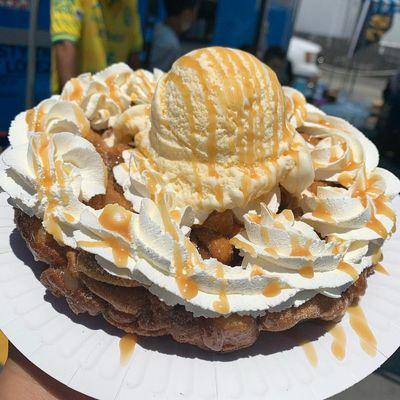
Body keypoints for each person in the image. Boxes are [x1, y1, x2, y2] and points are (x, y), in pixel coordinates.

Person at [51, 0, 143, 93]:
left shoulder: (130, 3)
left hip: (117, 97)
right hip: (81, 94)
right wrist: (72, 99)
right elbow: (64, 45)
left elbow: (134, 54)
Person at [149, 0, 197, 71]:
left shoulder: (158, 28)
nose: (194, 18)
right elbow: (157, 76)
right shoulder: (171, 45)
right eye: (193, 13)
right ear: (187, 13)